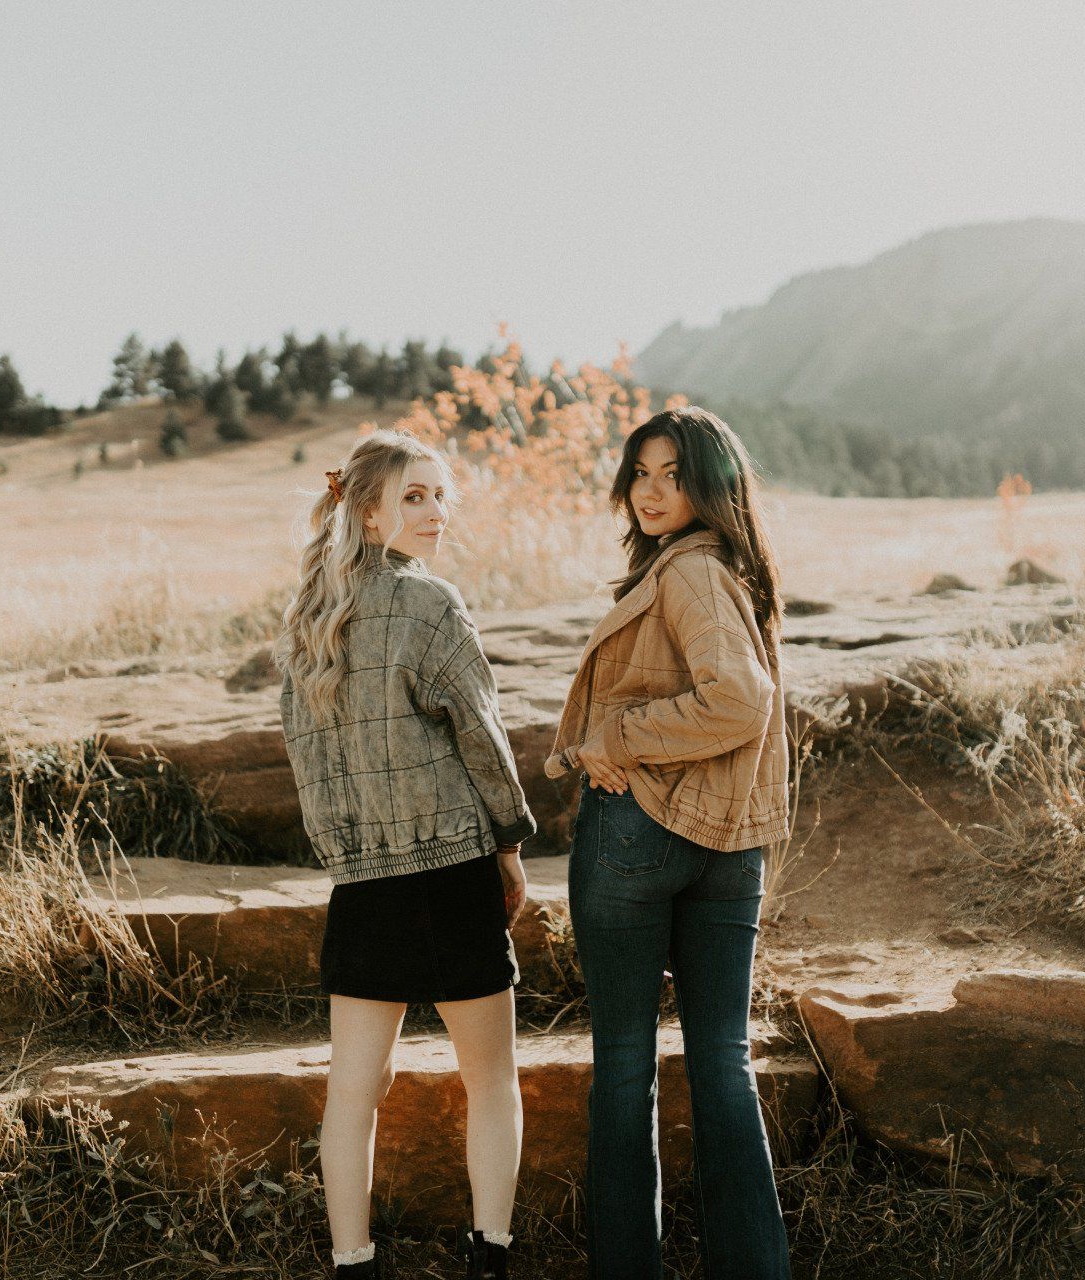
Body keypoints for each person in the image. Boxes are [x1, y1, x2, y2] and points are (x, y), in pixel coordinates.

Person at [277, 429, 537, 1280]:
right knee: (490, 1081)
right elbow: (482, 737)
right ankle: (489, 1258)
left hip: (366, 888)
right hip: (454, 872)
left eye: (439, 495)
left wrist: (344, 853)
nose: (435, 513)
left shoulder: (313, 618)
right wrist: (508, 842)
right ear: (367, 509)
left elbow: (307, 763)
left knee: (354, 1095)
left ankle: (355, 1262)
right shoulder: (429, 605)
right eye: (415, 496)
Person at [545, 407, 791, 1278]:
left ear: (710, 487)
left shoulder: (690, 574)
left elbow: (740, 699)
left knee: (624, 1065)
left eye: (673, 475)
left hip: (641, 838)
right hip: (728, 845)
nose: (651, 492)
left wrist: (621, 737)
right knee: (723, 1060)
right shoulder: (730, 570)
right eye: (642, 472)